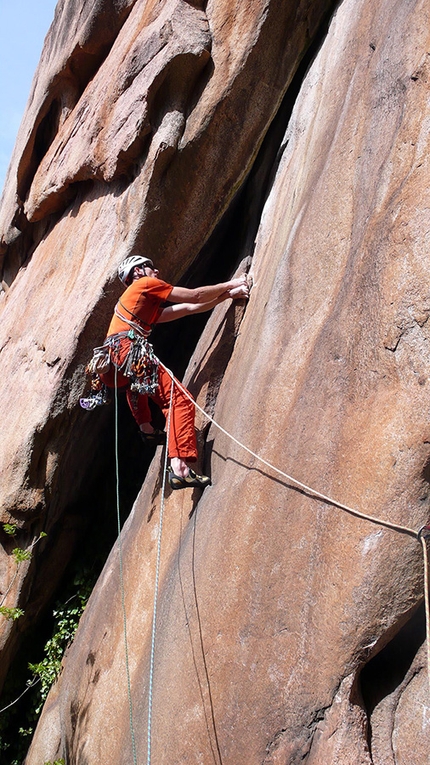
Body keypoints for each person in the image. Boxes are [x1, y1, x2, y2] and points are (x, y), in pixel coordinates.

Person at [99, 255, 249, 490]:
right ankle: (179, 468)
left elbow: (189, 308)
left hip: (115, 363)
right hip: (128, 351)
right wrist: (232, 283)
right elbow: (195, 295)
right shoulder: (144, 285)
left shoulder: (140, 306)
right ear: (138, 273)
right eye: (150, 267)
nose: (156, 270)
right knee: (179, 400)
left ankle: (146, 429)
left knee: (136, 384)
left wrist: (227, 295)